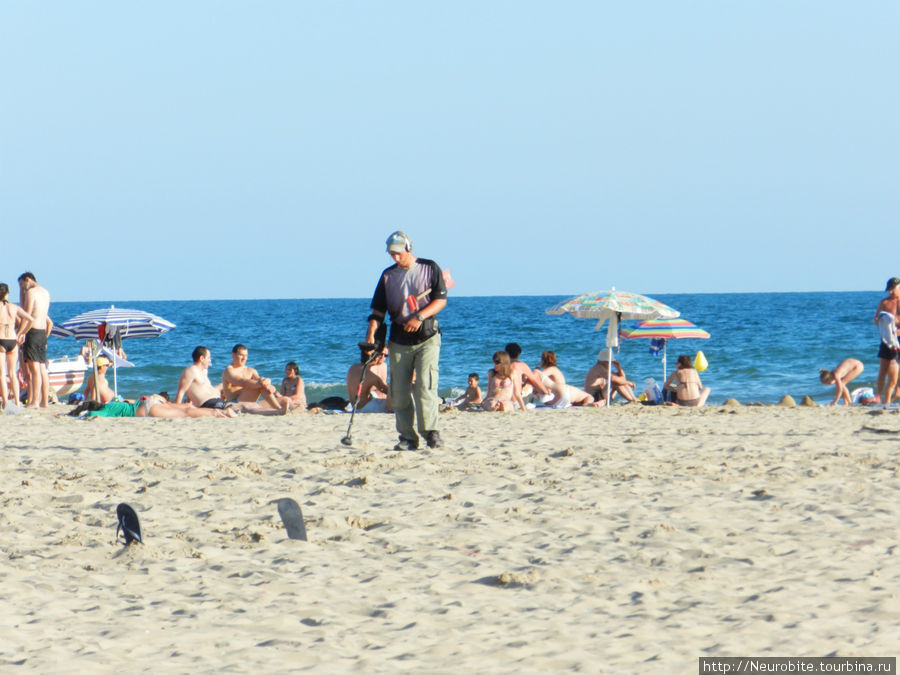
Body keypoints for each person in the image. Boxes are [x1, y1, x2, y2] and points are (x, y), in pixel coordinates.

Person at [365, 231, 447, 450]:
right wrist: (371, 333)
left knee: (425, 386)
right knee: (399, 392)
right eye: (391, 254)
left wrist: (419, 317)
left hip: (428, 337)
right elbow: (378, 311)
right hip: (399, 339)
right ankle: (408, 437)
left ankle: (430, 432)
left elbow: (440, 300)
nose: (395, 257)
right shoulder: (387, 276)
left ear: (408, 248)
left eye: (398, 253)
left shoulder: (430, 268)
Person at [175, 346, 286, 415]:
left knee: (253, 406)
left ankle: (277, 410)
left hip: (216, 401)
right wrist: (177, 410)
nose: (210, 360)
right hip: (210, 404)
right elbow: (181, 391)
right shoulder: (191, 370)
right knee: (243, 407)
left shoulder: (203, 372)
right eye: (208, 358)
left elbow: (196, 391)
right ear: (201, 358)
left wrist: (268, 382)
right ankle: (276, 412)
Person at [17, 272, 51, 408]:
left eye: (22, 285)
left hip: (33, 331)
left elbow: (27, 314)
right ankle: (44, 401)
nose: (22, 288)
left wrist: (21, 332)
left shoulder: (31, 293)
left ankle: (35, 401)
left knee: (34, 368)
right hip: (42, 332)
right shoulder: (45, 292)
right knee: (42, 367)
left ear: (27, 280)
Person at [221, 344, 288, 412]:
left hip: (248, 401)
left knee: (262, 385)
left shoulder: (251, 370)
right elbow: (243, 382)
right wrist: (264, 384)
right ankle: (278, 409)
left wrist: (267, 382)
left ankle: (278, 409)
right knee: (260, 385)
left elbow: (261, 379)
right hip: (234, 403)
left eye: (246, 355)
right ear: (233, 355)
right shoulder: (229, 370)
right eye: (241, 355)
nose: (244, 358)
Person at [0, 282, 35, 410]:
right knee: (12, 374)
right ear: (7, 294)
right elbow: (30, 319)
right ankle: (17, 401)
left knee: (2, 374)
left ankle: (4, 402)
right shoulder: (14, 307)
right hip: (12, 340)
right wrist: (22, 333)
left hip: (1, 340)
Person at [69, 394, 235, 418]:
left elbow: (93, 416)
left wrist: (79, 415)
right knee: (186, 409)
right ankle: (221, 411)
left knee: (187, 413)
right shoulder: (115, 402)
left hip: (148, 409)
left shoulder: (106, 409)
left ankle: (217, 413)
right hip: (149, 402)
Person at [532, 350, 597, 408]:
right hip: (564, 395)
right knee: (587, 397)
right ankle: (588, 404)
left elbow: (539, 377)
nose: (540, 362)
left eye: (541, 360)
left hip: (559, 395)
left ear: (544, 361)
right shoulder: (556, 370)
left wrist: (536, 371)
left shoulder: (551, 369)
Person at [874, 277, 900, 405]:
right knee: (883, 368)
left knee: (897, 369)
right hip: (888, 339)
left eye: (892, 290)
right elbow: (875, 320)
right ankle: (878, 396)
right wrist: (882, 320)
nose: (890, 293)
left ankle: (897, 392)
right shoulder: (884, 302)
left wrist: (897, 322)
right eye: (888, 290)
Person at [346, 346, 391, 413]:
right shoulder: (371, 375)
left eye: (386, 355)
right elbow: (388, 391)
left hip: (355, 406)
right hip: (367, 407)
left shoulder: (353, 367)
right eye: (380, 354)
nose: (382, 357)